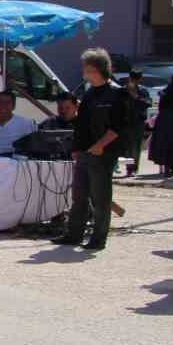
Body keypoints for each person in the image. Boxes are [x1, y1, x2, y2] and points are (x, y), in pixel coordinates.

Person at [53, 49, 130, 253]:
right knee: (79, 195)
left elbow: (119, 126)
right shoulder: (88, 94)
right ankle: (73, 234)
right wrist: (77, 148)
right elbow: (82, 125)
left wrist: (101, 145)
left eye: (88, 69)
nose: (85, 72)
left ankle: (98, 238)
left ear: (99, 69)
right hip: (86, 152)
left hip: (104, 153)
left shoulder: (116, 93)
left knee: (100, 198)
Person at [149, 71, 173, 178]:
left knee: (165, 143)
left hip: (163, 120)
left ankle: (167, 166)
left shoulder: (166, 91)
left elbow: (160, 107)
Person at [120, 73, 151, 177]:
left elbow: (147, 103)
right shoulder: (123, 90)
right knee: (127, 146)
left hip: (138, 122)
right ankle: (128, 168)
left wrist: (136, 97)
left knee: (135, 147)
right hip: (125, 122)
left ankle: (133, 168)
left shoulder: (143, 91)